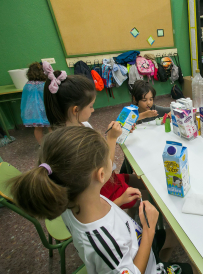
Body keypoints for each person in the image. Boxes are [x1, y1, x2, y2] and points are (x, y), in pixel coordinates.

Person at [8, 126, 192, 274]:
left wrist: (118, 201)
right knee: (194, 267)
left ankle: (159, 260)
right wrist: (149, 230)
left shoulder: (75, 197)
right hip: (139, 256)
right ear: (101, 174)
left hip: (135, 242)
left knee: (175, 236)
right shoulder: (103, 242)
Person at [42, 61, 142, 217]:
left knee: (144, 182)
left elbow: (99, 157)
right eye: (90, 106)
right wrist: (111, 139)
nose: (93, 110)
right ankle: (132, 222)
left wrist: (117, 133)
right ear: (75, 110)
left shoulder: (82, 125)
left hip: (108, 183)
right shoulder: (71, 146)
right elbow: (104, 172)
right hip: (102, 194)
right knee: (146, 197)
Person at [20, 62, 51, 144]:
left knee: (38, 128)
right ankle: (55, 144)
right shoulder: (45, 84)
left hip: (33, 112)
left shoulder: (27, 85)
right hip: (46, 109)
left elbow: (25, 100)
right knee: (51, 127)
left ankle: (42, 145)